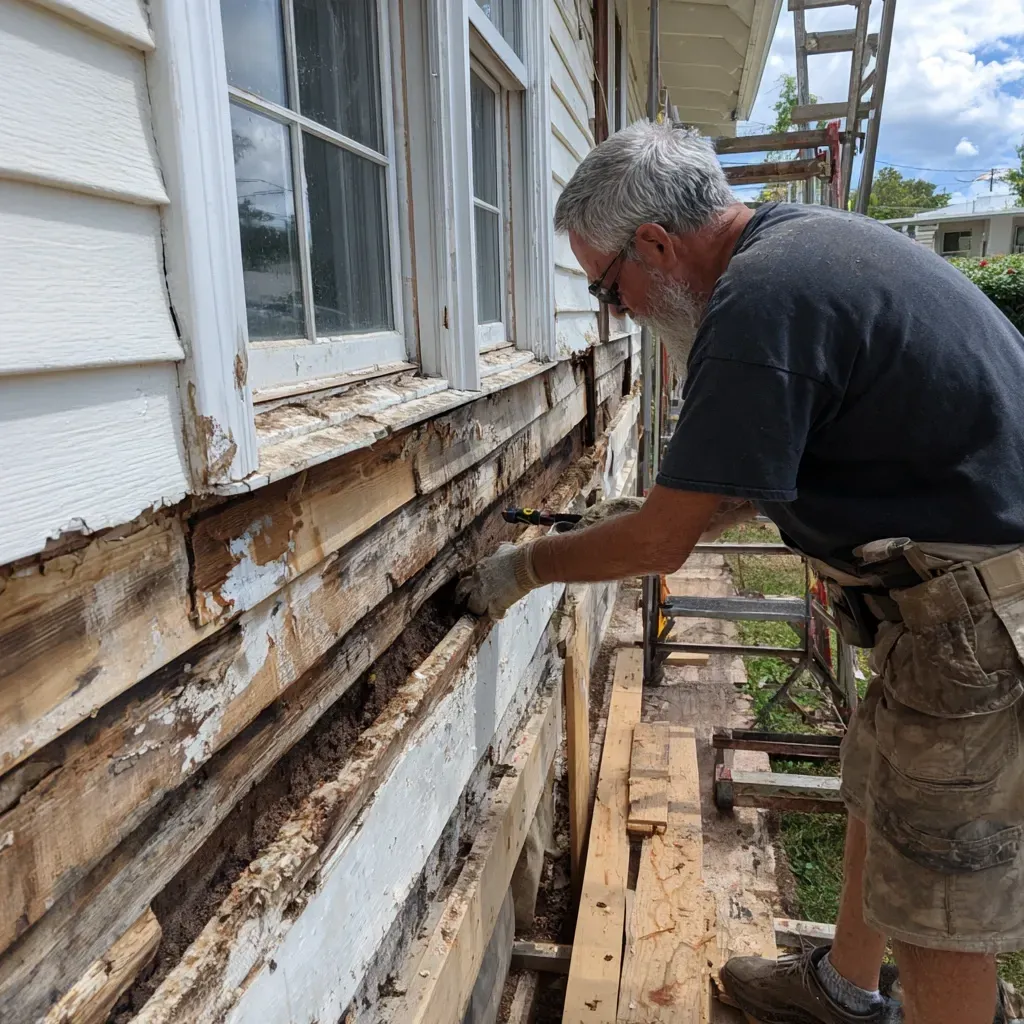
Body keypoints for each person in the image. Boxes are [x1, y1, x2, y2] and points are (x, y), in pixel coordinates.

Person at [456, 120, 1024, 1024]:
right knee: (880, 794)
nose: (616, 312)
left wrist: (523, 568)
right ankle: (842, 990)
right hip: (945, 606)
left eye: (608, 288)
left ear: (655, 244)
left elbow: (659, 548)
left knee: (939, 895)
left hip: (975, 618)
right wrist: (653, 511)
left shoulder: (757, 305)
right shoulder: (796, 251)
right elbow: (761, 473)